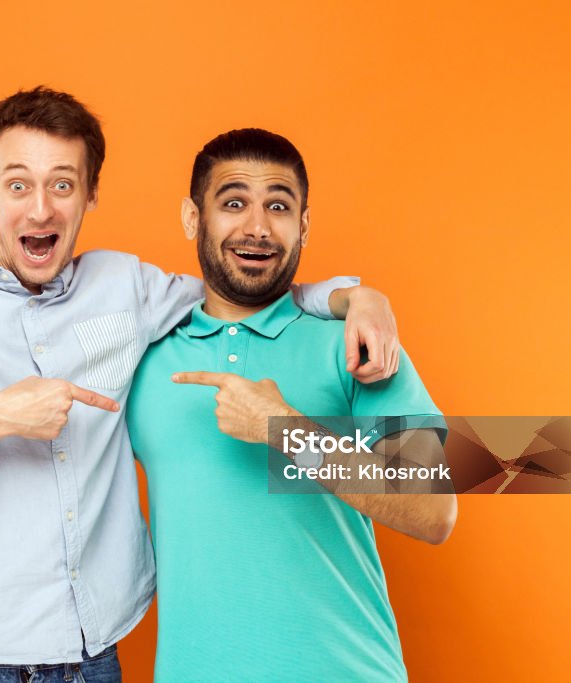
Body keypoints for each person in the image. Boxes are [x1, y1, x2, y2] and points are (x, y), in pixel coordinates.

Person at [0, 87, 401, 682]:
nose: (40, 210)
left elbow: (450, 493)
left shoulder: (349, 346)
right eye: (18, 184)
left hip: (101, 657)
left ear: (89, 195)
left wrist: (356, 296)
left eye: (62, 184)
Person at [126, 128, 456, 681]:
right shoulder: (141, 358)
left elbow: (434, 511)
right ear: (192, 218)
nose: (257, 227)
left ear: (303, 224)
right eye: (234, 203)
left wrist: (286, 430)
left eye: (278, 206)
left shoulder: (354, 345)